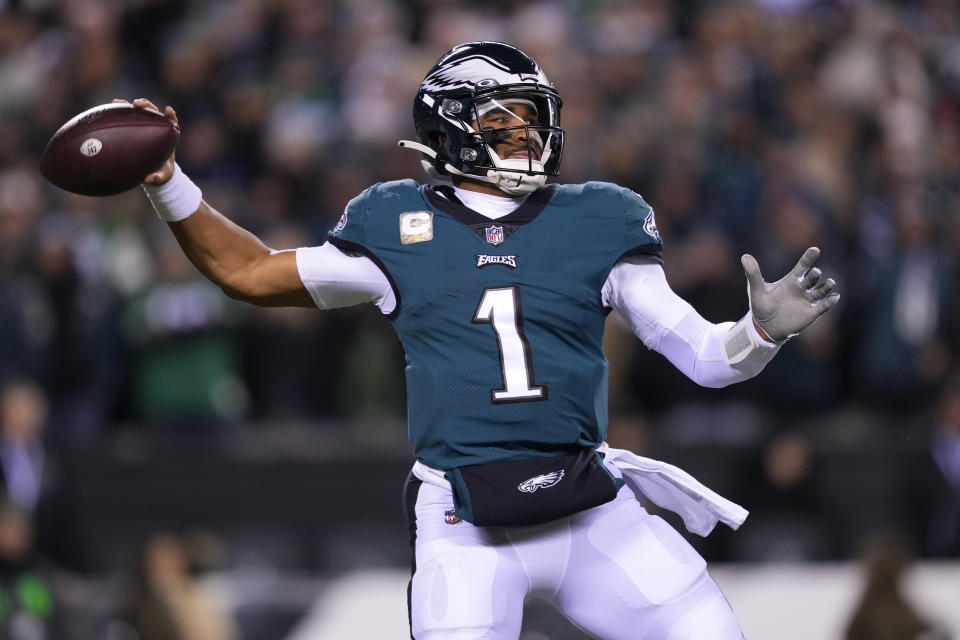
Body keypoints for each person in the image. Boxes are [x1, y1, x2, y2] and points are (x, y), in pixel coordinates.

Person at [121, 41, 839, 640]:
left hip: (588, 506)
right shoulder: (395, 222)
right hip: (466, 521)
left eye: (533, 119)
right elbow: (246, 271)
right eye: (507, 121)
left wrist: (760, 333)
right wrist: (168, 182)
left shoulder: (602, 218)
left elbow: (708, 359)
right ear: (452, 129)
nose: (529, 135)